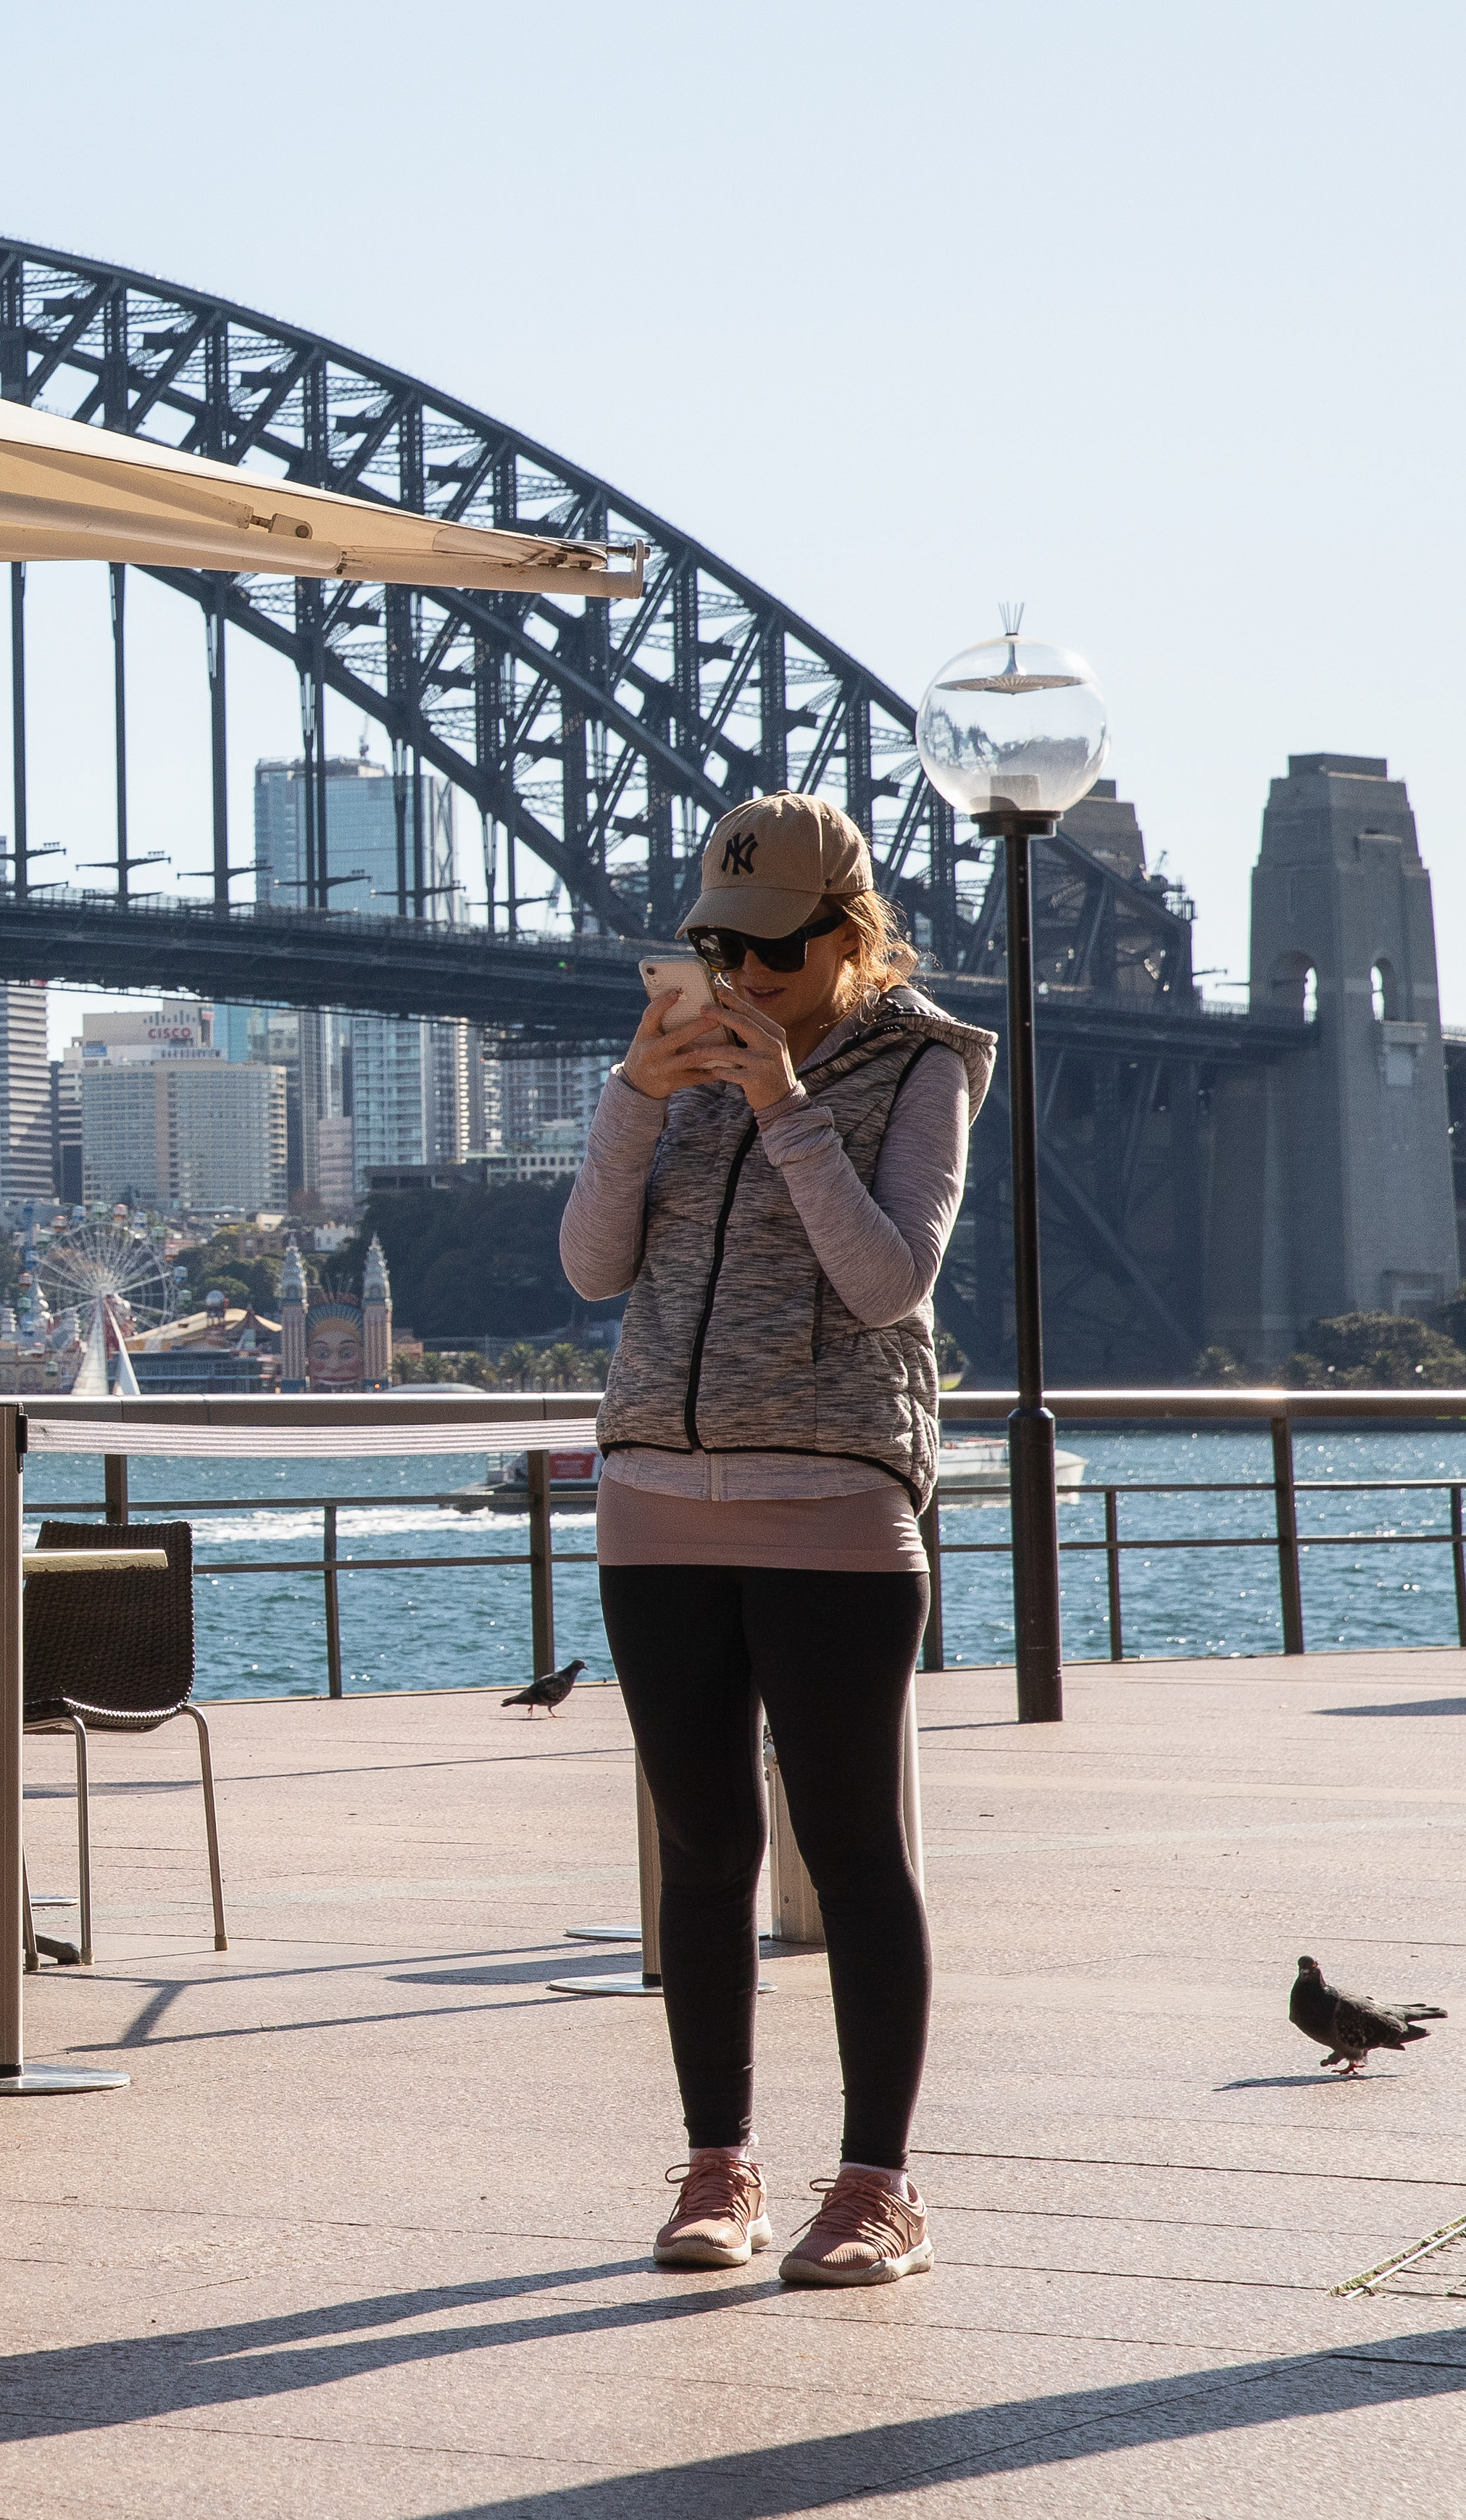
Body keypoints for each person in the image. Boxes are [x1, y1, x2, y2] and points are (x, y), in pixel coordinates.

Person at [560, 791, 990, 2292]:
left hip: (831, 1501)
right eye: (714, 948)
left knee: (855, 1846)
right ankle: (718, 2160)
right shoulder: (671, 1068)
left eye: (774, 954)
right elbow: (593, 1262)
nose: (742, 980)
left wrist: (782, 1104)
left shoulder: (923, 1062)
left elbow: (886, 1282)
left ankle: (876, 2183)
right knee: (700, 1842)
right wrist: (635, 1091)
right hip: (654, 1499)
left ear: (849, 933)